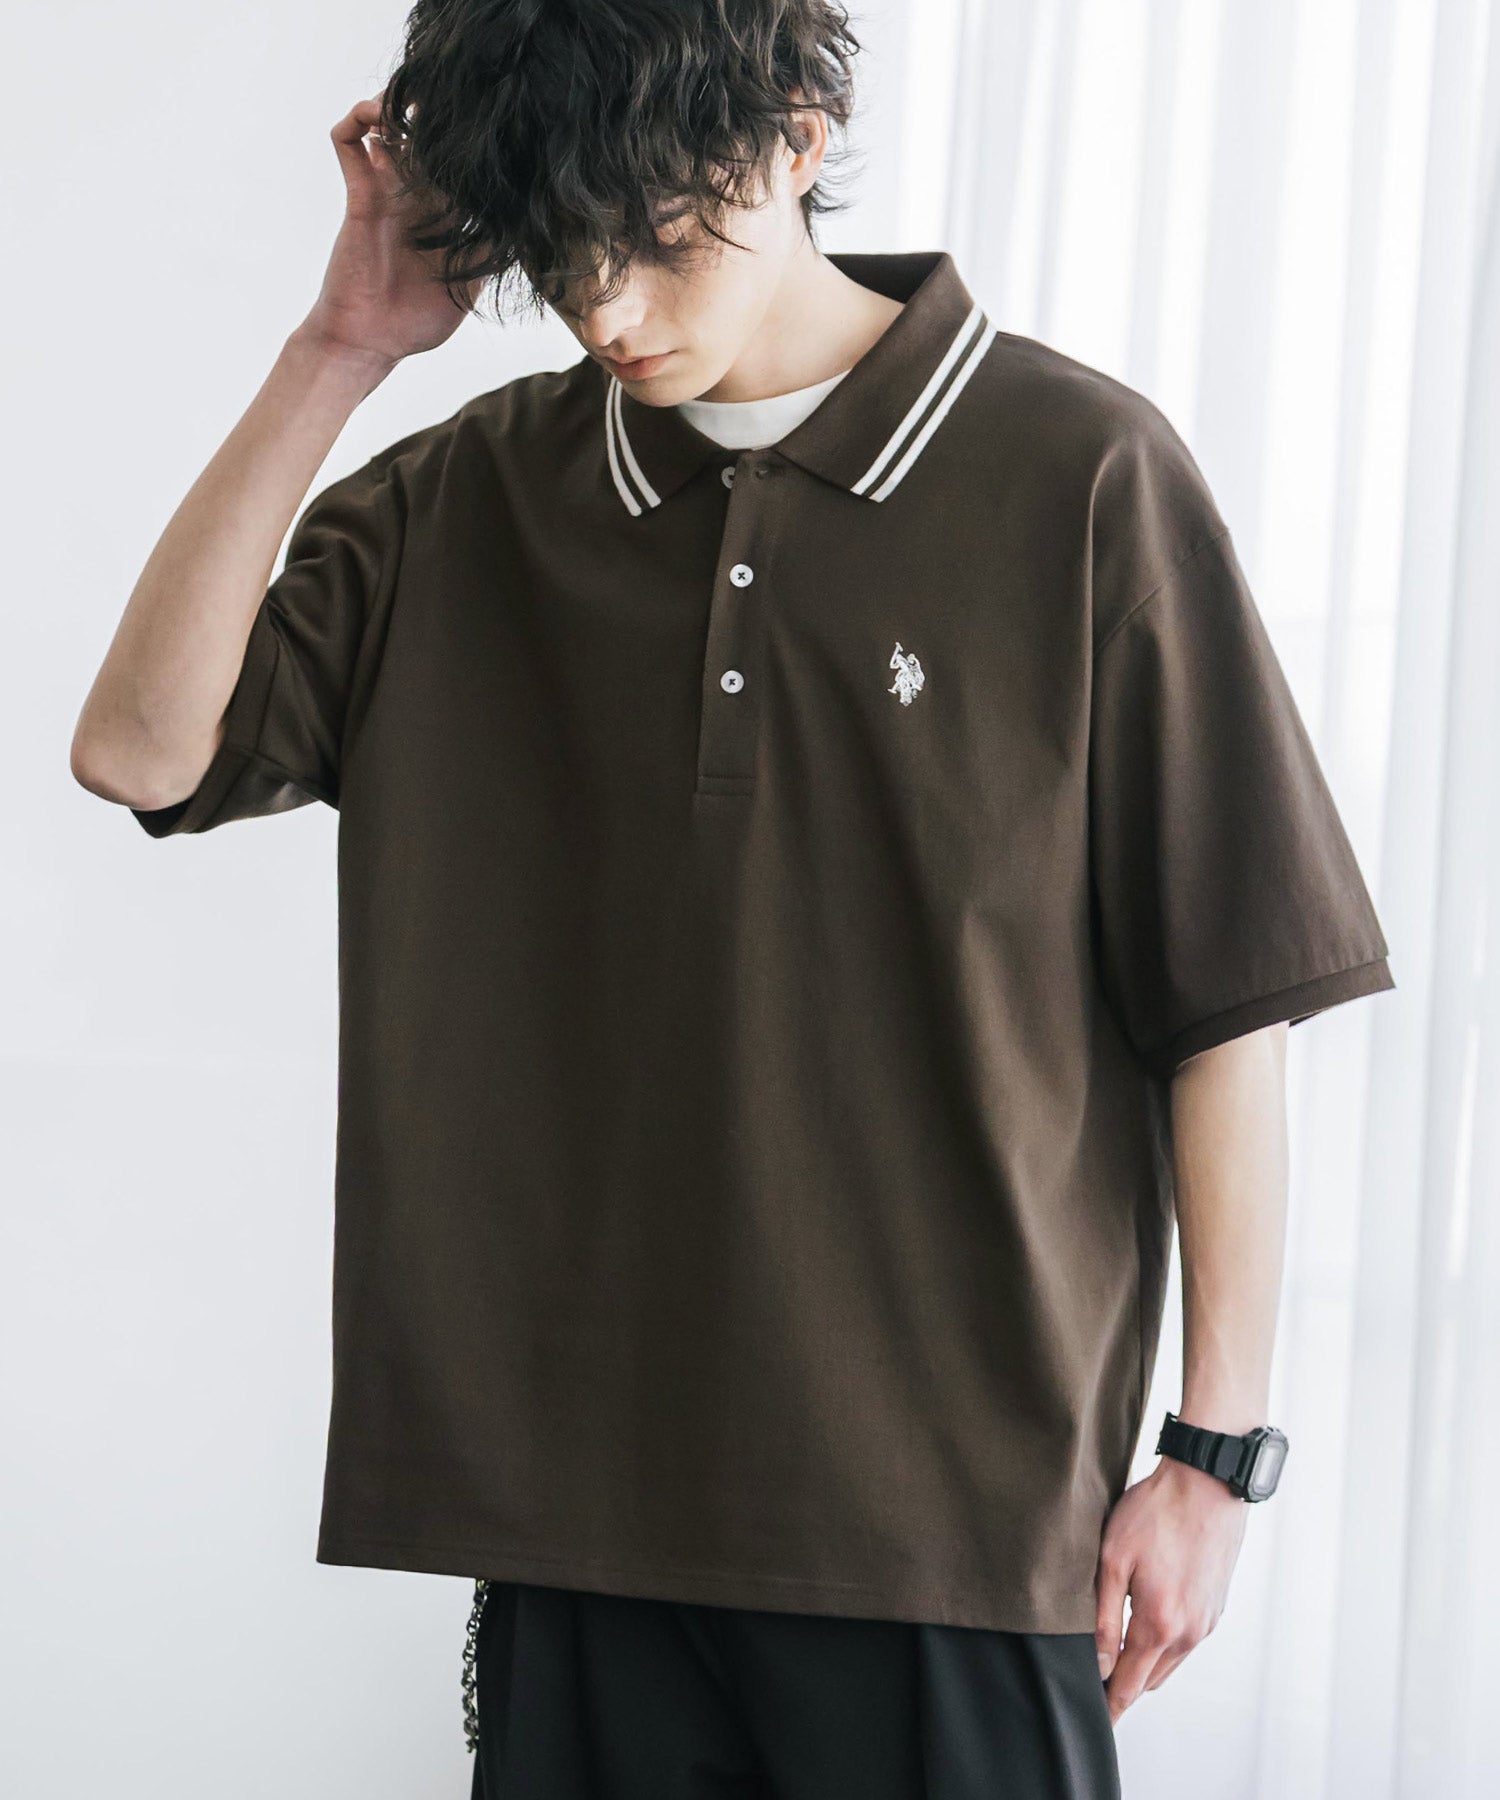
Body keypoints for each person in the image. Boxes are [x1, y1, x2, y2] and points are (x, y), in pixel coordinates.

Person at [70, 3, 1394, 1795]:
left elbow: (1229, 1000)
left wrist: (1215, 1459)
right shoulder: (477, 496)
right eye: (561, 254)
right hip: (575, 1526)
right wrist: (340, 349)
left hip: (963, 1535)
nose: (608, 307)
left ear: (793, 135)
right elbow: (140, 751)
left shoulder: (1080, 476)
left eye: (655, 237)